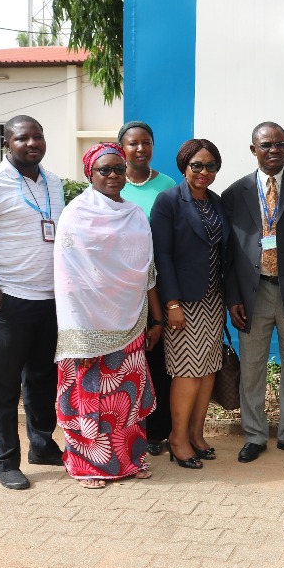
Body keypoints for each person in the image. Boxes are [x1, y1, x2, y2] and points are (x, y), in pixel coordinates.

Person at [0, 115, 66, 491]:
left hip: (48, 302)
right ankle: (5, 461)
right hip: (8, 303)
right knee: (3, 386)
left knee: (41, 380)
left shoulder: (52, 182)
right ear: (8, 144)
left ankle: (42, 446)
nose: (32, 143)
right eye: (23, 138)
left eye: (38, 136)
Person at [53, 143, 163, 489]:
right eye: (106, 170)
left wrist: (155, 318)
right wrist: (83, 317)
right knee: (91, 394)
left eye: (119, 169)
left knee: (126, 391)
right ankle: (88, 465)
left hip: (129, 316)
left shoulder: (134, 214)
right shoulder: (76, 213)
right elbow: (68, 272)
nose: (114, 175)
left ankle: (129, 459)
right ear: (91, 173)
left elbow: (146, 269)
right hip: (86, 320)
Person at [223, 122, 284, 463]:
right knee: (252, 367)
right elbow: (228, 253)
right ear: (254, 149)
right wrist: (233, 297)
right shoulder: (234, 194)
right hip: (253, 294)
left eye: (280, 144)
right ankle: (253, 435)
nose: (274, 150)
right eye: (266, 145)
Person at [150, 139, 231, 470]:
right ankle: (178, 439)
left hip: (213, 299)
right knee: (187, 371)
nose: (204, 171)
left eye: (211, 165)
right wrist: (171, 303)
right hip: (183, 301)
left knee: (209, 369)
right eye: (197, 165)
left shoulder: (216, 202)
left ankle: (196, 435)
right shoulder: (168, 201)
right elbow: (162, 255)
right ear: (184, 166)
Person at [118, 120, 176, 457]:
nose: (141, 149)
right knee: (124, 361)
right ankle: (124, 428)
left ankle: (156, 431)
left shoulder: (167, 185)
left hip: (159, 282)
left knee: (156, 361)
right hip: (121, 287)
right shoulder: (111, 183)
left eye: (147, 143)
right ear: (122, 148)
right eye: (133, 143)